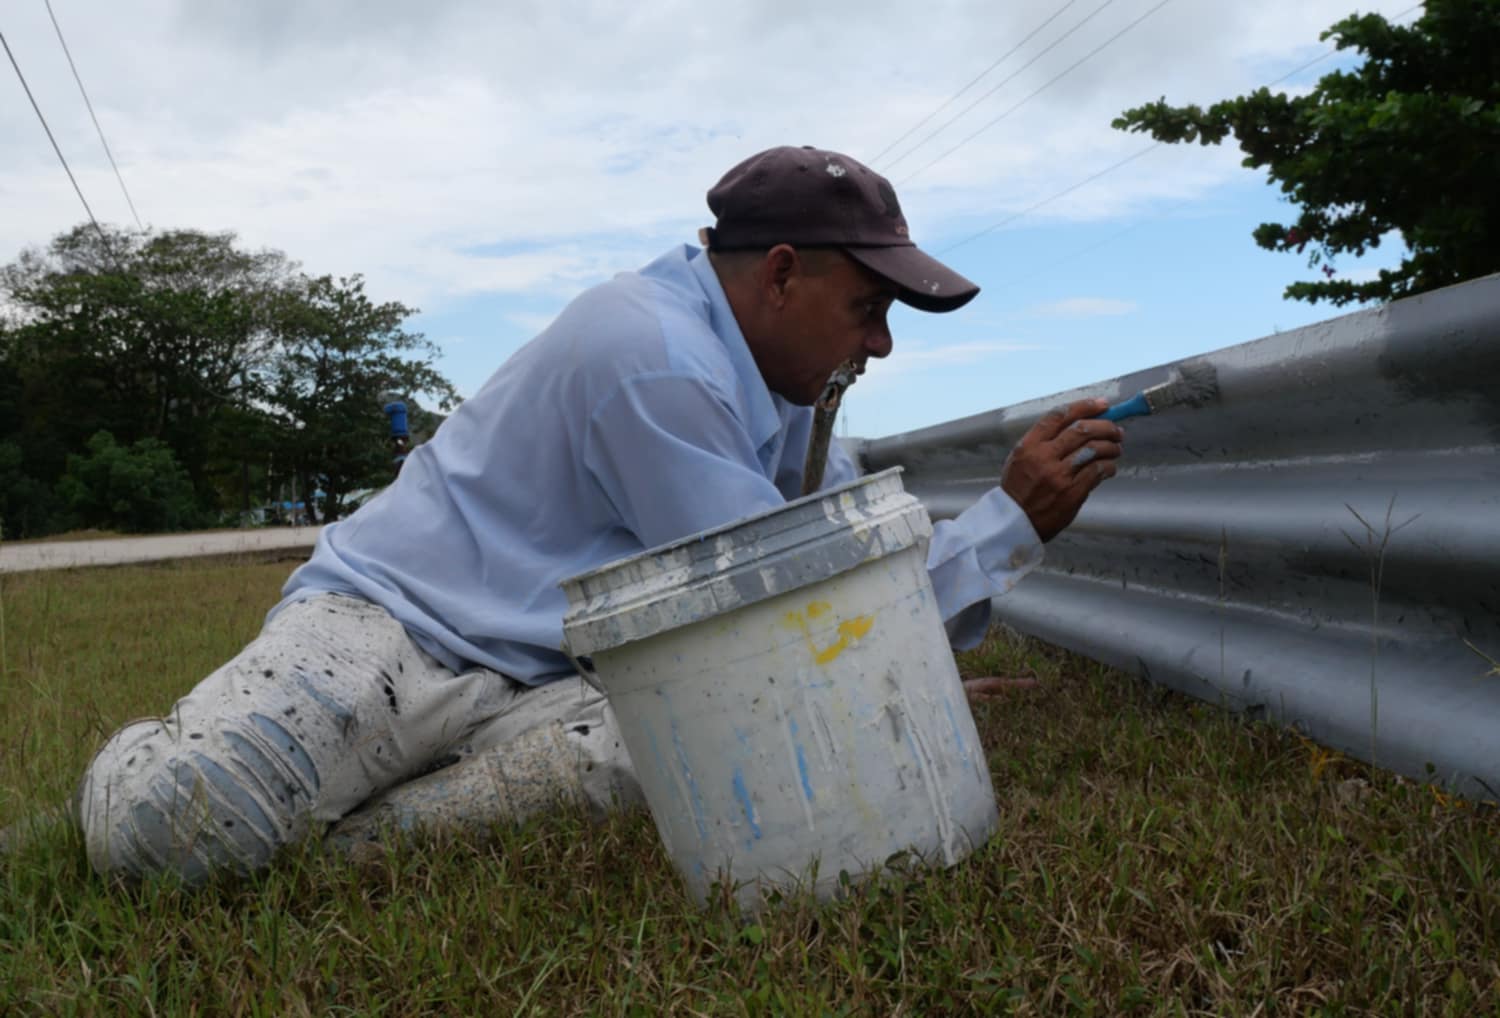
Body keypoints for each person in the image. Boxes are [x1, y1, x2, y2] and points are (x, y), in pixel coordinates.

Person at [76, 145, 1124, 881]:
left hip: (547, 679)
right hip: (395, 629)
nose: (882, 342)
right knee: (180, 833)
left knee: (720, 744)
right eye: (869, 308)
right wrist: (1010, 522)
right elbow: (779, 618)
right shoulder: (653, 356)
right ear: (780, 276)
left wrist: (905, 664)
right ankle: (141, 768)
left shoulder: (788, 398)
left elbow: (831, 595)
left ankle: (339, 824)